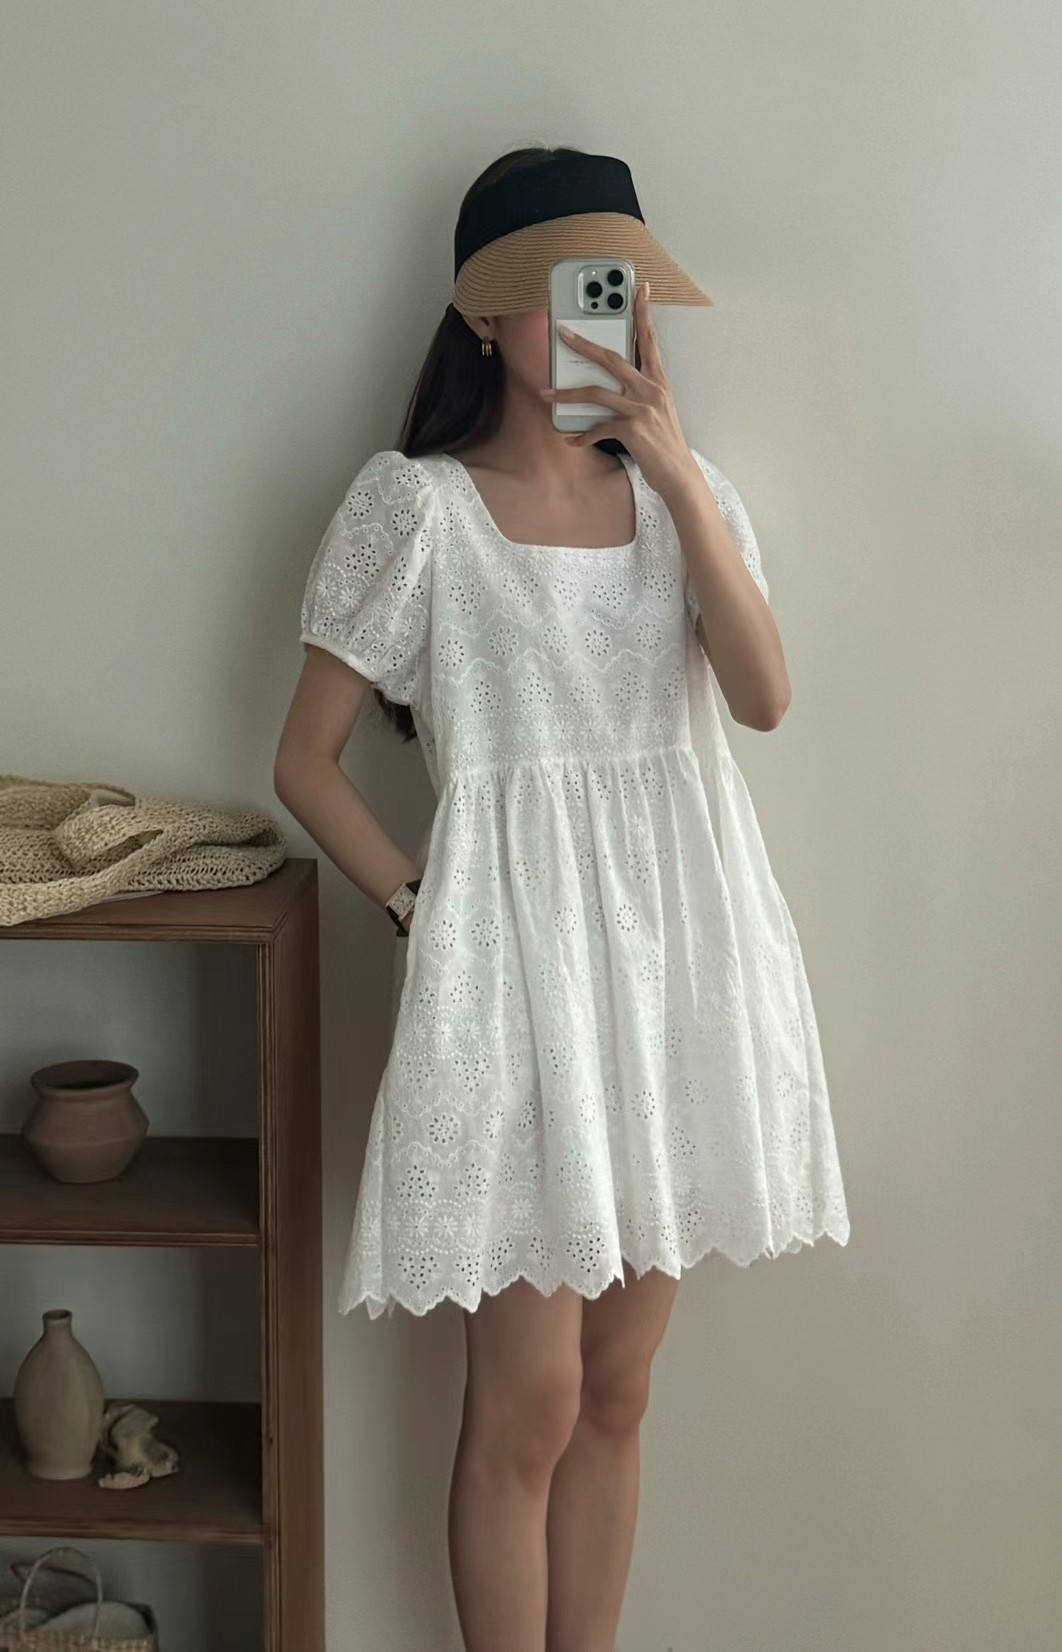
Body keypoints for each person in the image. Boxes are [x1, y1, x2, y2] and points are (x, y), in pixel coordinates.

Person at [274, 144, 851, 1652]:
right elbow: (304, 763)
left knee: (615, 1390)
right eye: (559, 289)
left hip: (678, 967)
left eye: (617, 287)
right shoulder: (415, 510)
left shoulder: (689, 500)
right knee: (524, 1402)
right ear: (483, 315)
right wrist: (426, 910)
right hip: (514, 977)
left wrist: (673, 469)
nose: (599, 314)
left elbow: (764, 700)